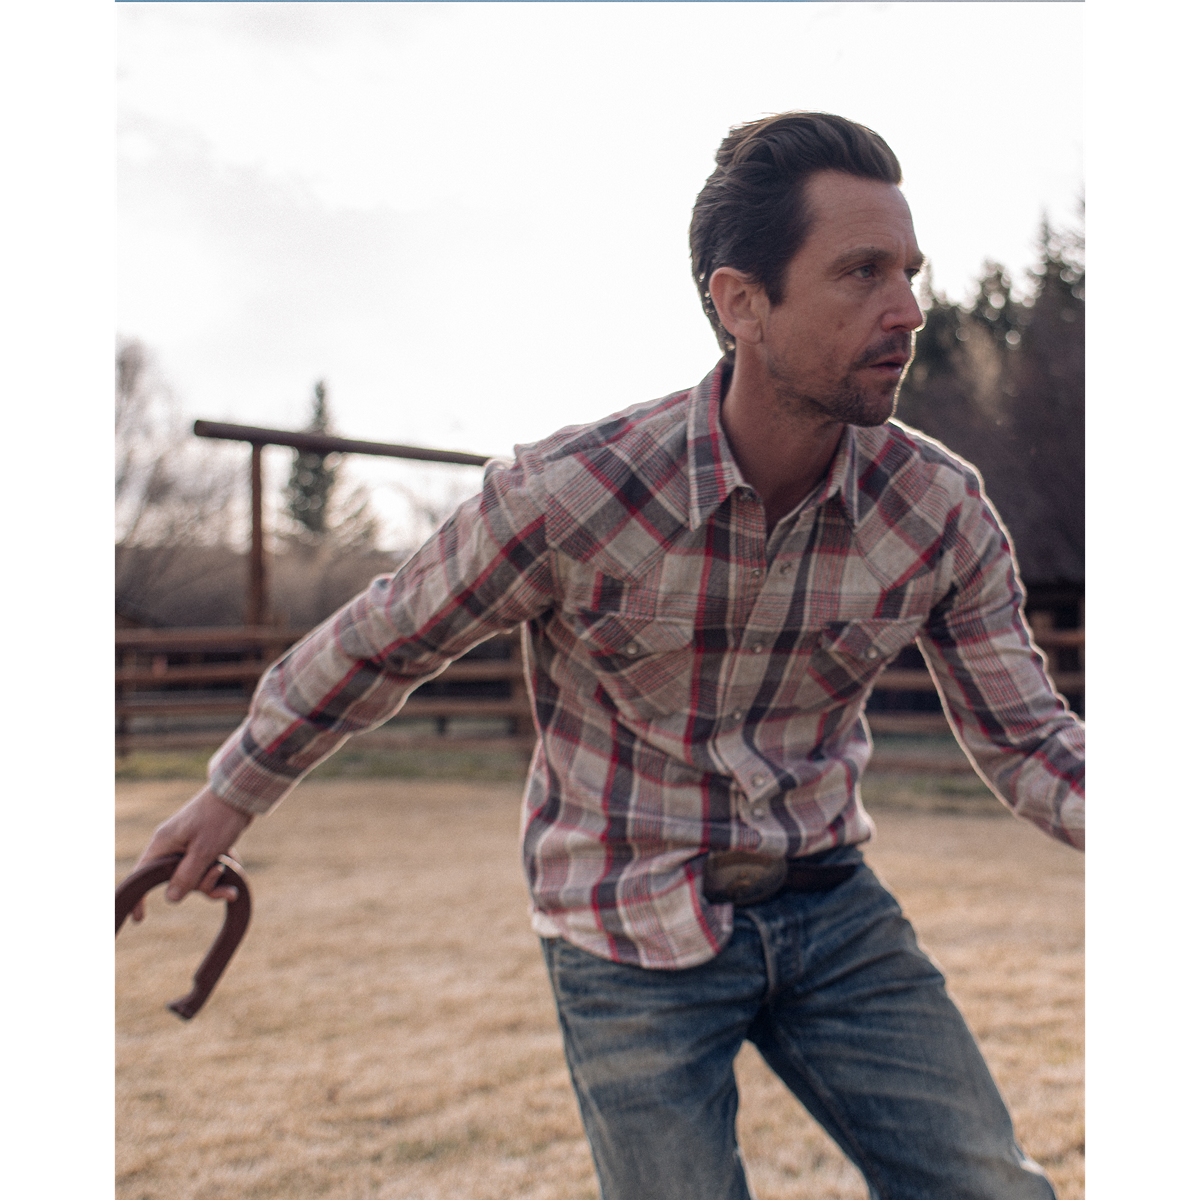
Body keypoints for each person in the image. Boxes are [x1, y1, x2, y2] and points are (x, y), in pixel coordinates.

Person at [132, 112, 1086, 1199]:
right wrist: (231, 792)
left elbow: (1029, 740)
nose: (909, 308)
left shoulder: (939, 509)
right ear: (741, 303)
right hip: (623, 918)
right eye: (862, 272)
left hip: (829, 901)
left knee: (994, 1189)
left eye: (910, 272)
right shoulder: (572, 494)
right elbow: (386, 638)